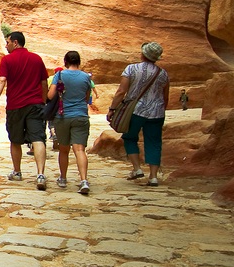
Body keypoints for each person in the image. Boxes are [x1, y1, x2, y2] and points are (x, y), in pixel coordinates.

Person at [0, 31, 49, 190]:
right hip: (35, 105)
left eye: (8, 42)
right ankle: (40, 174)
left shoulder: (7, 60)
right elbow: (44, 83)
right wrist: (43, 102)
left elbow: (2, 80)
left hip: (15, 106)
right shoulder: (36, 59)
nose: (6, 45)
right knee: (38, 138)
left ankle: (17, 172)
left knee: (15, 140)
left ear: (15, 43)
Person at [108, 42, 170, 186]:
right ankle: (153, 176)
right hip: (157, 112)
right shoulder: (163, 73)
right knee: (154, 142)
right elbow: (165, 96)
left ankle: (137, 168)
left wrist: (112, 108)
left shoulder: (131, 69)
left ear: (143, 54)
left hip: (135, 111)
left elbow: (121, 91)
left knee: (129, 137)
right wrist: (160, 110)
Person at [47, 51, 93, 194]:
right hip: (80, 115)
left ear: (65, 61)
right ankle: (83, 180)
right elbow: (87, 98)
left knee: (64, 149)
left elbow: (50, 95)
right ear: (79, 62)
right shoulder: (86, 77)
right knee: (79, 149)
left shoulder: (59, 75)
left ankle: (63, 178)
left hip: (62, 116)